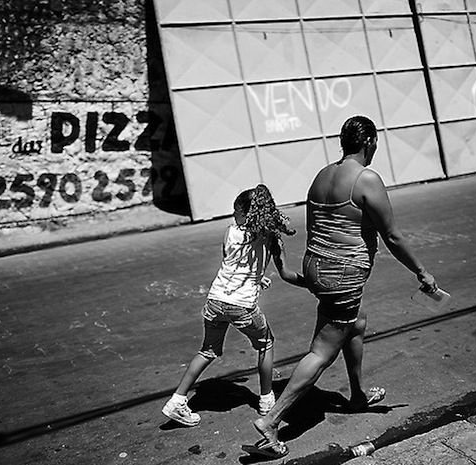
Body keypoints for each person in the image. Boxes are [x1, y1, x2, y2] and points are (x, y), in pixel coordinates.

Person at [248, 115, 437, 459]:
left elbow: (317, 226)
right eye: (375, 143)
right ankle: (272, 421)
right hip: (342, 275)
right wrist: (422, 272)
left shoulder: (322, 175)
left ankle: (358, 394)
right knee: (322, 351)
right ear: (369, 143)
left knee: (356, 322)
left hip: (317, 267)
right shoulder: (366, 179)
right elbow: (391, 235)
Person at [162, 184, 306, 427]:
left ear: (245, 213)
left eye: (236, 211)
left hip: (215, 301)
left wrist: (256, 276)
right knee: (265, 344)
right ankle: (266, 400)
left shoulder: (230, 232)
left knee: (208, 351)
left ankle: (177, 401)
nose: (233, 216)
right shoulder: (271, 238)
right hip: (242, 307)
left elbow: (231, 265)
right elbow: (286, 273)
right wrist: (310, 285)